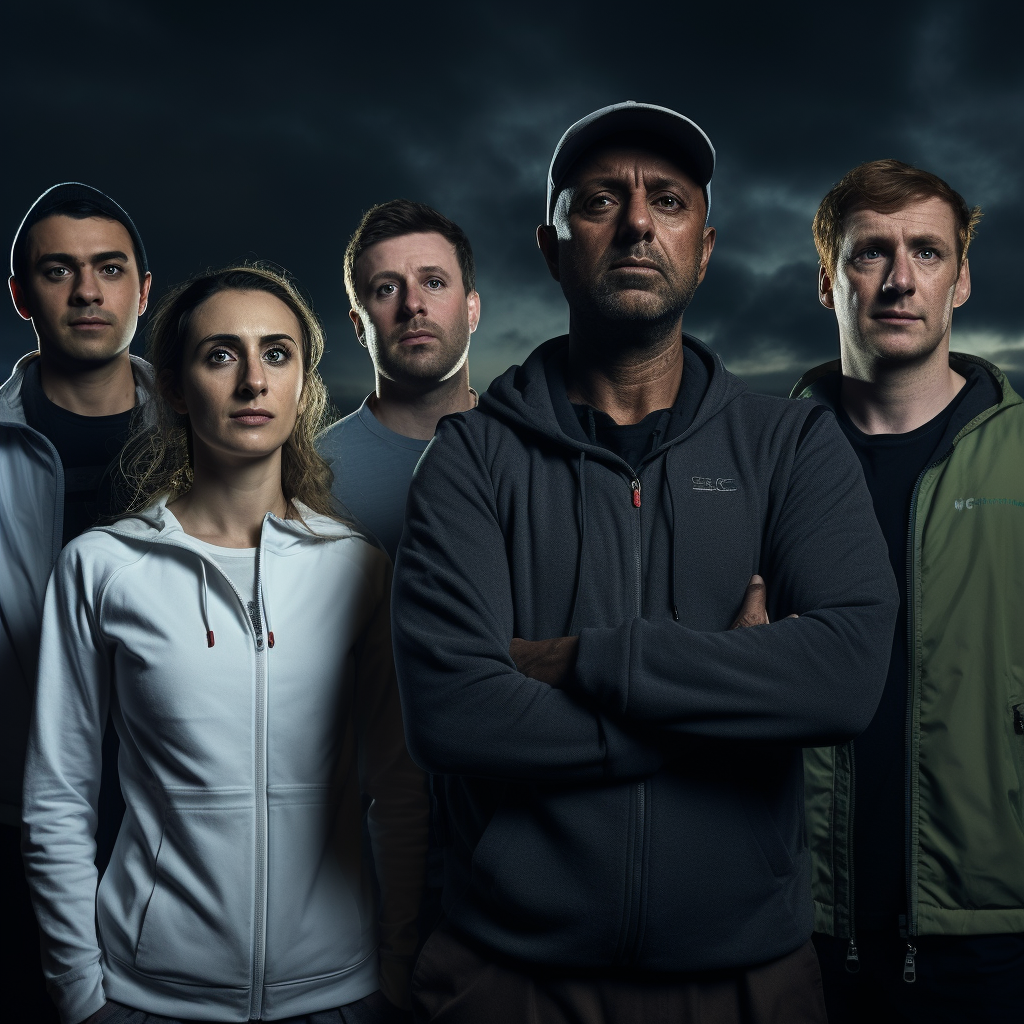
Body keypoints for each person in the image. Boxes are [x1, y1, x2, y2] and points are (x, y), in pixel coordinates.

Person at [391, 100, 898, 1024]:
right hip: (509, 980)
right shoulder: (470, 457)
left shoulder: (791, 446)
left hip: (749, 980)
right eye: (598, 201)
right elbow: (454, 713)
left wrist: (582, 660)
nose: (634, 222)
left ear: (704, 249)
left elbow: (844, 678)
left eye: (667, 200)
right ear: (550, 248)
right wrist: (729, 703)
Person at [22, 264, 428, 1024]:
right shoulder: (102, 567)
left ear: (304, 385)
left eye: (277, 354)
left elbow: (398, 791)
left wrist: (395, 971)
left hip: (339, 996)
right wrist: (80, 998)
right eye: (220, 355)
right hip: (150, 999)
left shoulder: (359, 568)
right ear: (176, 387)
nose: (252, 381)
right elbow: (57, 797)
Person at [793, 159, 1024, 1023]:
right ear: (828, 280)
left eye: (926, 253)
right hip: (799, 926)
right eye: (869, 254)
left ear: (960, 278)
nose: (899, 280)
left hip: (991, 933)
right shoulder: (762, 465)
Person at [1, 182, 154, 1022]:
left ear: (143, 290)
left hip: (176, 824)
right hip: (17, 821)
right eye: (59, 272)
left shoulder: (216, 435)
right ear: (22, 296)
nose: (88, 293)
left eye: (108, 269)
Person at [316, 199, 480, 561]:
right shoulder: (311, 473)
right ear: (359, 325)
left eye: (433, 282)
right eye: (387, 288)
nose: (412, 304)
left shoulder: (526, 450)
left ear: (472, 310)